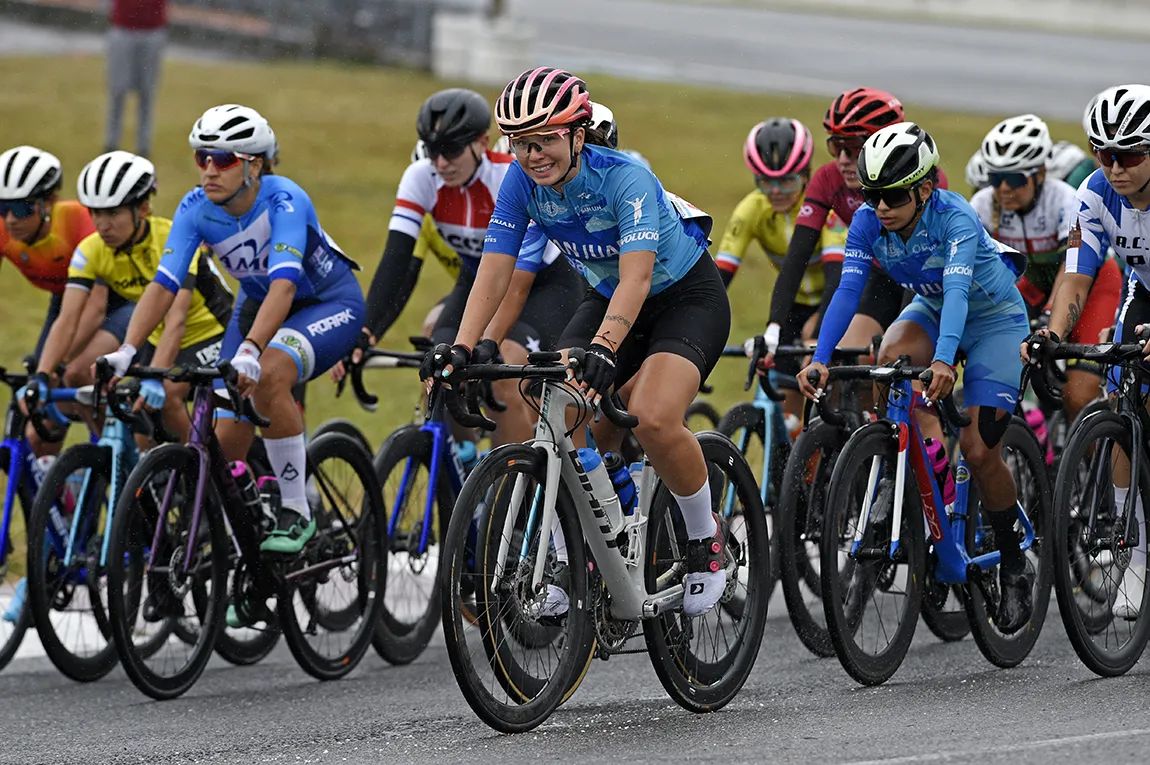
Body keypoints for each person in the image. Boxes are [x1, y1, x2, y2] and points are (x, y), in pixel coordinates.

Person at [430, 67, 732, 618]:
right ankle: (581, 554)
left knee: (654, 416)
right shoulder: (521, 183)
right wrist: (463, 347)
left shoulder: (625, 178)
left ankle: (706, 541)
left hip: (684, 298)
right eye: (521, 144)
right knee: (554, 404)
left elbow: (639, 278)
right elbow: (493, 272)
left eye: (544, 141)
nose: (532, 155)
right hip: (608, 296)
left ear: (576, 134)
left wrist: (606, 348)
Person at [97, 105, 365, 600]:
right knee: (225, 447)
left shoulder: (286, 200)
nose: (208, 169)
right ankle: (252, 564)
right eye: (202, 157)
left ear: (254, 165)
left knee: (266, 376)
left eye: (222, 159)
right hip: (257, 307)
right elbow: (164, 284)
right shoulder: (196, 207)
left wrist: (249, 350)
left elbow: (285, 287)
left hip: (325, 304)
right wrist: (127, 350)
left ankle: (297, 510)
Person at [801, 121, 1034, 634]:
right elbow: (847, 292)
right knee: (890, 358)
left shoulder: (956, 218)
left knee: (979, 449)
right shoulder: (867, 222)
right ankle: (901, 472)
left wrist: (947, 361)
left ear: (925, 188)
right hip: (932, 308)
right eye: (871, 194)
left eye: (893, 195)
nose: (879, 206)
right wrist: (819, 355)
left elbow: (958, 295)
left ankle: (1015, 557)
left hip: (993, 320)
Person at [349, 88, 583, 445]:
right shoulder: (421, 178)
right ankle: (466, 474)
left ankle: (509, 493)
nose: (441, 163)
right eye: (432, 151)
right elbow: (396, 261)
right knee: (441, 372)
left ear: (482, 143)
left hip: (543, 284)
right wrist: (367, 332)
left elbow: (517, 282)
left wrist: (488, 341)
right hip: (480, 281)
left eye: (451, 150)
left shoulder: (510, 178)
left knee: (502, 376)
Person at [1025, 83, 1150, 618]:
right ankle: (1136, 557)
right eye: (1104, 154)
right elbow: (1077, 277)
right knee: (1126, 396)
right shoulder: (1096, 193)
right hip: (1144, 294)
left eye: (1129, 155)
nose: (1115, 167)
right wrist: (1053, 335)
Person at [27, 151, 231, 443]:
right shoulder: (92, 250)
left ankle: (208, 471)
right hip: (157, 336)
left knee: (170, 397)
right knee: (141, 431)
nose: (102, 225)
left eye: (113, 213)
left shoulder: (173, 239)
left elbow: (176, 319)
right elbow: (68, 318)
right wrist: (43, 375)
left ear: (144, 208)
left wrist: (157, 375)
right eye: (95, 213)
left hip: (211, 332)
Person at [753, 88, 950, 371]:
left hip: (929, 282)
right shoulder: (827, 179)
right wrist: (774, 329)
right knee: (848, 359)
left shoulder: (925, 179)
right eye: (836, 146)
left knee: (900, 358)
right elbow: (797, 257)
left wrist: (897, 329)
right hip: (881, 276)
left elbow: (922, 261)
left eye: (853, 148)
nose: (843, 159)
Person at [972, 115, 1119, 424]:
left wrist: (1051, 315)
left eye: (1014, 180)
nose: (1003, 189)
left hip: (1092, 286)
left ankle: (1096, 466)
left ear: (1039, 173)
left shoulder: (1064, 198)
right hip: (1032, 288)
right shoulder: (984, 204)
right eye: (995, 178)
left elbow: (1072, 266)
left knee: (1079, 395)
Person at [715, 117, 847, 418]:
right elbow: (719, 274)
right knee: (790, 411)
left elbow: (835, 278)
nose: (775, 191)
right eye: (764, 182)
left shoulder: (822, 207)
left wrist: (820, 326)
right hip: (793, 305)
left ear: (805, 175)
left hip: (836, 300)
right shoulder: (752, 208)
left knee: (831, 394)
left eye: (787, 181)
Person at [105, 0, 168, 158]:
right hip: (122, 27)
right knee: (117, 90)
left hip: (152, 30)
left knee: (147, 92)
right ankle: (111, 144)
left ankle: (143, 147)